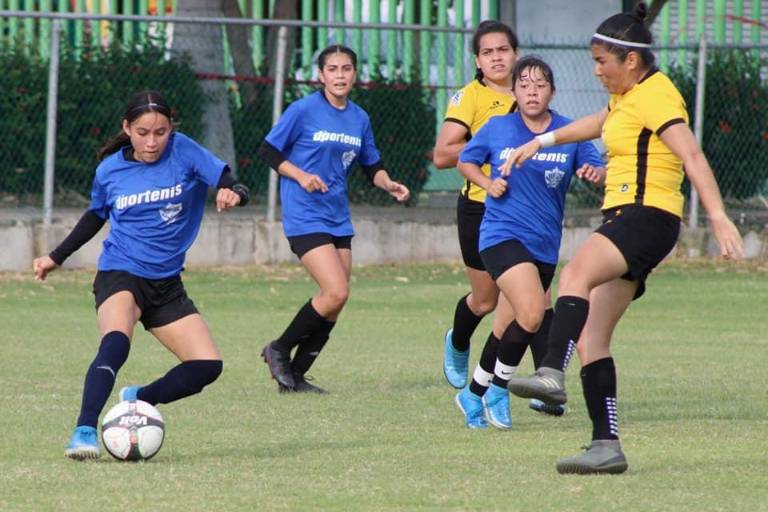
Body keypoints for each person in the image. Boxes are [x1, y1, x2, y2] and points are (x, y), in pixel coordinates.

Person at [502, 3, 744, 474]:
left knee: (575, 274)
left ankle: (550, 370)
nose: (596, 70)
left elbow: (692, 154)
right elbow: (598, 124)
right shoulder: (627, 96)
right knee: (593, 338)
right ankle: (605, 446)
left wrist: (718, 217)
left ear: (630, 60)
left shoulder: (656, 95)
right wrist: (540, 142)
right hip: (636, 220)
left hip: (645, 215)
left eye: (601, 62)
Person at [33, 90, 250, 460]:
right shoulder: (110, 171)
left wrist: (234, 194)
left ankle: (138, 398)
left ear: (170, 130)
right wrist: (56, 257)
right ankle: (84, 430)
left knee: (207, 366)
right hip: (120, 273)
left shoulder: (184, 151)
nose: (152, 142)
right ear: (127, 129)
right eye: (143, 132)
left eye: (161, 132)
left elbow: (233, 182)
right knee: (116, 343)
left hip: (166, 283)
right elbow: (95, 216)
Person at [454, 57, 605, 429]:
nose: (532, 92)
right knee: (534, 313)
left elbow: (597, 168)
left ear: (552, 91)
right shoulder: (498, 127)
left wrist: (595, 172)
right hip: (500, 236)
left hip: (544, 245)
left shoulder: (568, 131)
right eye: (524, 85)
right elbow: (465, 161)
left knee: (507, 326)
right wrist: (487, 183)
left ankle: (472, 392)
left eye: (540, 85)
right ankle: (498, 389)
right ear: (515, 92)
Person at [257, 45, 410, 394]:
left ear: (354, 74)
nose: (340, 75)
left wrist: (388, 184)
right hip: (304, 213)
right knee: (335, 290)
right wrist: (301, 176)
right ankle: (278, 348)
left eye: (346, 69)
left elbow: (371, 165)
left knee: (337, 301)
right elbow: (268, 150)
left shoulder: (359, 118)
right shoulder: (303, 109)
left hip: (337, 216)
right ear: (321, 75)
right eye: (332, 69)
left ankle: (295, 377)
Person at [433, 21, 563, 416]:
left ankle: (541, 384)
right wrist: (494, 143)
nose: (496, 58)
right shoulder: (470, 98)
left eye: (503, 50)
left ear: (515, 53)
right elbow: (443, 154)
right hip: (482, 209)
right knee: (487, 300)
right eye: (487, 52)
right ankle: (459, 343)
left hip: (528, 214)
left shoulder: (533, 94)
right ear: (477, 60)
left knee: (536, 300)